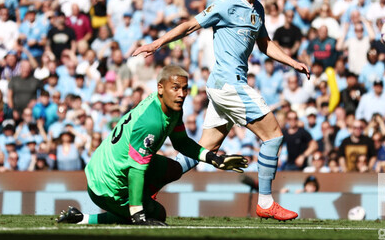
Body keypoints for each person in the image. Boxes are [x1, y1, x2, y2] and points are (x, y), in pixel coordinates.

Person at [133, 0, 310, 221]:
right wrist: (158, 42)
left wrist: (293, 62)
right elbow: (191, 25)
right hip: (229, 84)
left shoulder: (257, 9)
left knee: (203, 150)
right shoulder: (226, 3)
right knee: (273, 136)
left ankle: (148, 188)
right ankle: (265, 202)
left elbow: (265, 44)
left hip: (224, 86)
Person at [57, 65, 248, 226]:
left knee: (173, 169)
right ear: (160, 88)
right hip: (107, 184)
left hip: (114, 163)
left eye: (185, 89)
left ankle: (83, 217)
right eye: (175, 88)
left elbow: (181, 142)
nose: (181, 94)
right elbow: (135, 171)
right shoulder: (152, 122)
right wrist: (138, 214)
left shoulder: (171, 107)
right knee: (157, 214)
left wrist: (214, 158)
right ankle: (95, 217)